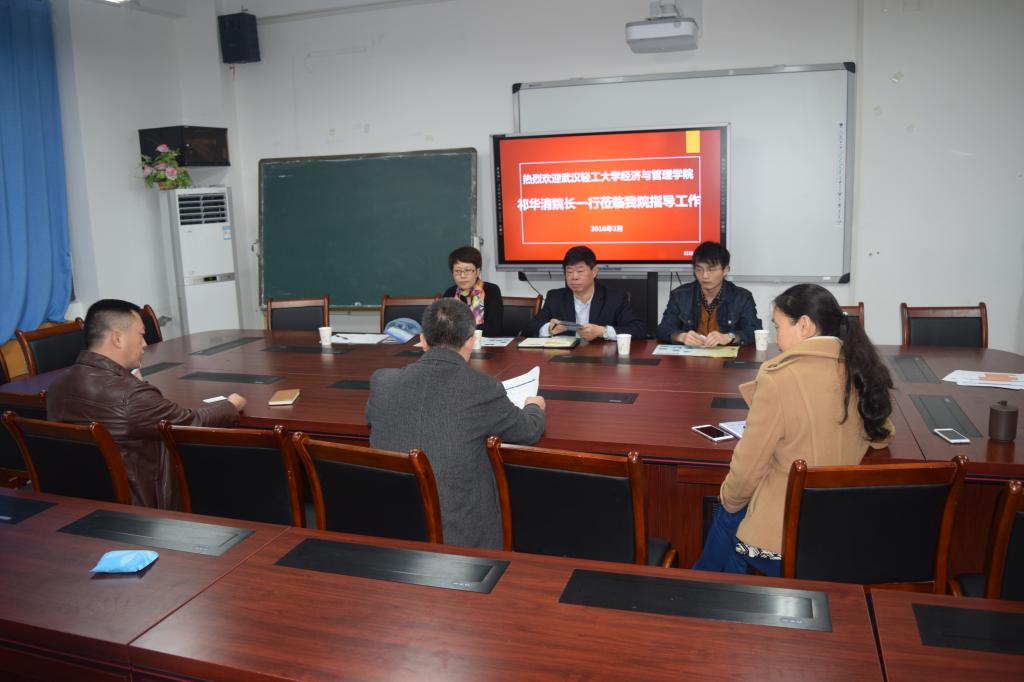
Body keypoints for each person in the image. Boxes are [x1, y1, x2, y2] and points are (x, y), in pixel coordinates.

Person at [693, 284, 894, 576]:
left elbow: (747, 471)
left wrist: (728, 499)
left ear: (804, 325)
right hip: (840, 530)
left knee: (729, 509)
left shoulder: (779, 378)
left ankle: (705, 591)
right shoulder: (861, 367)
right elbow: (882, 435)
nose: (775, 337)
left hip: (783, 542)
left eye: (778, 327)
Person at [366, 298, 546, 549]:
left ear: (423, 340)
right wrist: (534, 406)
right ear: (470, 341)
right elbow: (528, 431)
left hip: (391, 529)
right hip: (461, 540)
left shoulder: (383, 382)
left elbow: (374, 418)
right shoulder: (482, 388)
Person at [47, 299, 246, 509]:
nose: (145, 344)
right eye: (141, 335)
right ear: (117, 338)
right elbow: (191, 423)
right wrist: (231, 405)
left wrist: (133, 384)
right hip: (143, 507)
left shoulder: (57, 387)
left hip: (79, 504)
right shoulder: (132, 396)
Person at [525, 245, 646, 340]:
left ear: (594, 271)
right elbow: (529, 329)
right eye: (569, 271)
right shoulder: (555, 297)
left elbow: (639, 329)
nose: (574, 277)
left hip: (601, 359)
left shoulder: (614, 298)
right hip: (564, 359)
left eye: (580, 271)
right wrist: (549, 329)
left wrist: (603, 332)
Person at [656, 241, 761, 346]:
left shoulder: (742, 297)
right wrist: (681, 336)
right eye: (699, 270)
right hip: (692, 354)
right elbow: (663, 329)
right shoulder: (680, 295)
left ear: (725, 270)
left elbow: (754, 330)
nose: (705, 276)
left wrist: (729, 337)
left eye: (711, 270)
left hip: (726, 355)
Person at [442, 245, 504, 337]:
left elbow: (494, 329)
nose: (462, 276)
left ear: (477, 271)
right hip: (457, 344)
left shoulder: (491, 290)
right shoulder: (450, 293)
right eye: (457, 271)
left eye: (467, 270)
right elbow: (442, 327)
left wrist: (459, 329)